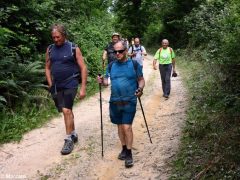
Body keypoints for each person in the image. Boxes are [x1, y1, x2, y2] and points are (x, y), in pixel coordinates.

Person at [97, 41, 145, 168]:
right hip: (115, 101)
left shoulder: (134, 64)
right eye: (115, 51)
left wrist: (140, 89)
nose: (117, 54)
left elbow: (141, 80)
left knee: (126, 127)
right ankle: (124, 148)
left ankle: (129, 154)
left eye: (120, 51)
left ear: (126, 51)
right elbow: (107, 82)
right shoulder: (111, 65)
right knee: (119, 127)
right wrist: (102, 81)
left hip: (130, 100)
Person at [45, 24, 87, 155]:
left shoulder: (73, 48)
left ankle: (68, 140)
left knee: (66, 110)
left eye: (58, 37)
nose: (56, 39)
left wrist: (83, 88)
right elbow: (47, 67)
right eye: (53, 37)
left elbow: (83, 68)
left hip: (71, 82)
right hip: (57, 85)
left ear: (64, 35)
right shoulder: (50, 49)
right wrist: (51, 84)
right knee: (67, 111)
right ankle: (73, 134)